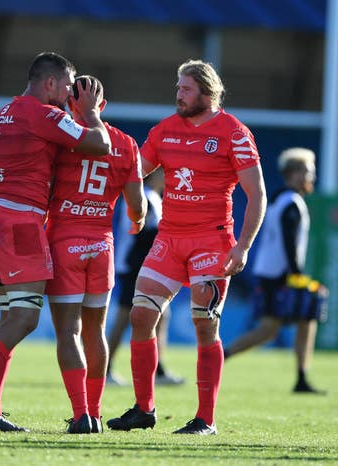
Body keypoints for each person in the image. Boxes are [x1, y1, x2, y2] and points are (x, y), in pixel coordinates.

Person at [0, 52, 111, 433]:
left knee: (9, 316)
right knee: (25, 317)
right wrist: (90, 112)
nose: (70, 94)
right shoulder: (44, 114)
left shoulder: (1, 115)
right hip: (20, 221)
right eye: (67, 86)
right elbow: (98, 144)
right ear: (50, 83)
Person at [106, 59, 267, 435]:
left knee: (204, 326)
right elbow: (133, 172)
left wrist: (242, 247)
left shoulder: (234, 133)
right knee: (141, 316)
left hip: (212, 241)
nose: (178, 94)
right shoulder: (164, 130)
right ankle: (144, 409)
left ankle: (205, 419)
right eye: (177, 87)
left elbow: (256, 194)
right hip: (169, 240)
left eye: (186, 88)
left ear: (208, 93)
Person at [45, 75, 147, 434]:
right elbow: (138, 207)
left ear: (70, 104)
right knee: (95, 331)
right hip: (101, 246)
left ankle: (79, 415)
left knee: (68, 332)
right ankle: (96, 413)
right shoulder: (126, 143)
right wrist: (135, 222)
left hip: (64, 242)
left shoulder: (61, 136)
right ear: (102, 106)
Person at [224, 147, 328, 394]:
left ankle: (302, 377)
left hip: (273, 273)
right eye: (308, 172)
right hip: (278, 275)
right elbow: (288, 240)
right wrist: (297, 274)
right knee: (269, 329)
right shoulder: (291, 202)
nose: (311, 178)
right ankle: (219, 355)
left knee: (301, 321)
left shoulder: (281, 199)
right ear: (295, 173)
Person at [107, 168, 185, 387]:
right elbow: (139, 233)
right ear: (151, 175)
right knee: (125, 318)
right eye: (164, 173)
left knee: (162, 314)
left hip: (144, 266)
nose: (168, 178)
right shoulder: (143, 197)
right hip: (136, 266)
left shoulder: (153, 198)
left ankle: (158, 369)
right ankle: (105, 369)